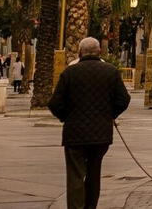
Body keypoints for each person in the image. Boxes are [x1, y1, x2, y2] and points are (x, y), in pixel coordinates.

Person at [48, 37, 131, 209]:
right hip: (101, 134)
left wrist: (66, 117)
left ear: (80, 52)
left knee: (75, 176)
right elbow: (123, 99)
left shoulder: (70, 72)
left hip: (74, 133)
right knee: (94, 174)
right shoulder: (111, 71)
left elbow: (54, 103)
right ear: (99, 51)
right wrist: (110, 114)